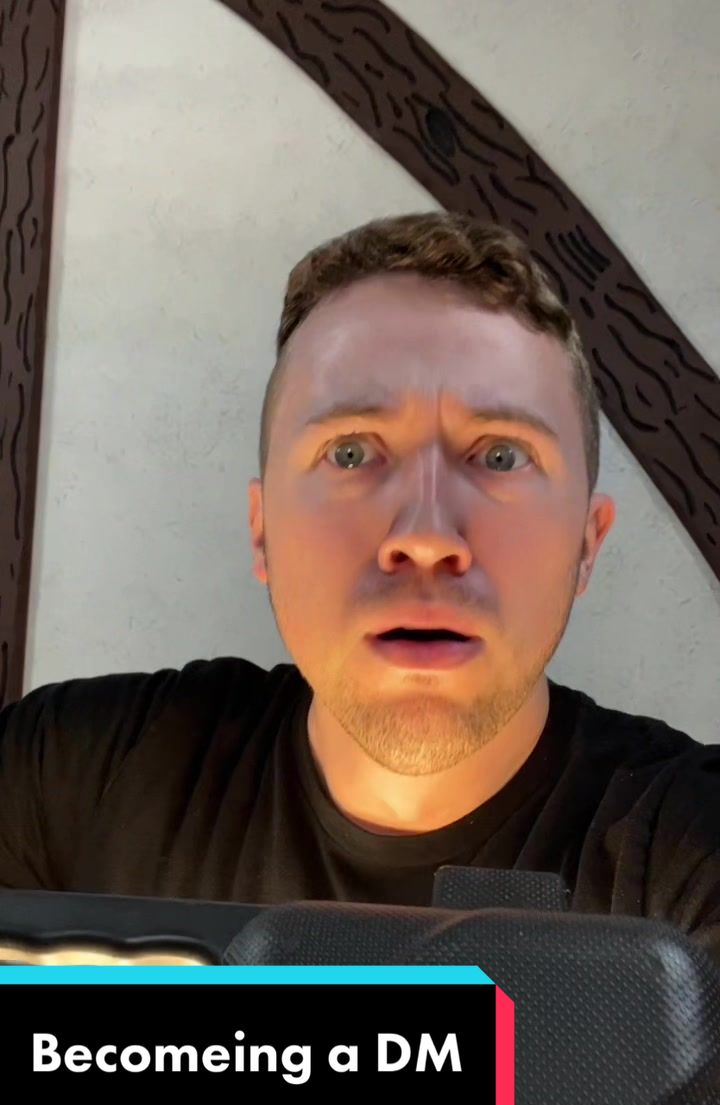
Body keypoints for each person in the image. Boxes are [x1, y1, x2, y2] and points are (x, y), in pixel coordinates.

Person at [1, 212, 719, 961]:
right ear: (262, 531)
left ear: (586, 544)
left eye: (501, 456)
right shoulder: (68, 781)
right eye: (349, 452)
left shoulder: (689, 863)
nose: (427, 536)